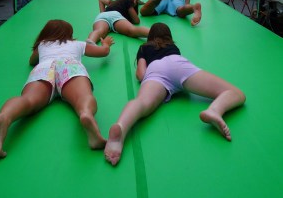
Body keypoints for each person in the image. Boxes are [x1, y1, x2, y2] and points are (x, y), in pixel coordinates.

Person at [104, 22, 246, 166]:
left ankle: (121, 128)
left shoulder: (144, 47)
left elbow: (141, 74)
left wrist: (149, 79)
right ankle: (215, 110)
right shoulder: (173, 47)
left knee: (142, 103)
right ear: (169, 37)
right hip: (178, 65)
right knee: (235, 92)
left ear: (150, 36)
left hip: (156, 69)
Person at [0, 19, 114, 158]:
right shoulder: (77, 44)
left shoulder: (42, 45)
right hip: (70, 66)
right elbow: (103, 52)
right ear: (69, 34)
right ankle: (86, 113)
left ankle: (4, 117)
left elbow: (31, 61)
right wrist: (106, 44)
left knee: (28, 100)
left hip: (44, 68)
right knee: (83, 96)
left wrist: (40, 51)